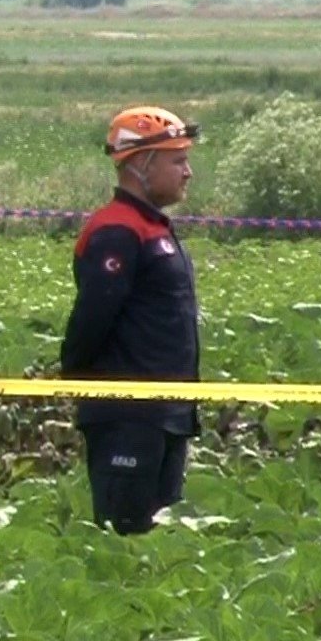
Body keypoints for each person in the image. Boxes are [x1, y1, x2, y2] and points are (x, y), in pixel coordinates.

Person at [59, 106, 200, 536]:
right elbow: (92, 319)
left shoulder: (154, 228)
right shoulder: (117, 231)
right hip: (128, 419)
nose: (188, 172)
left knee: (160, 546)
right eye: (177, 160)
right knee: (125, 541)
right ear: (140, 164)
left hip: (167, 416)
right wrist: (81, 383)